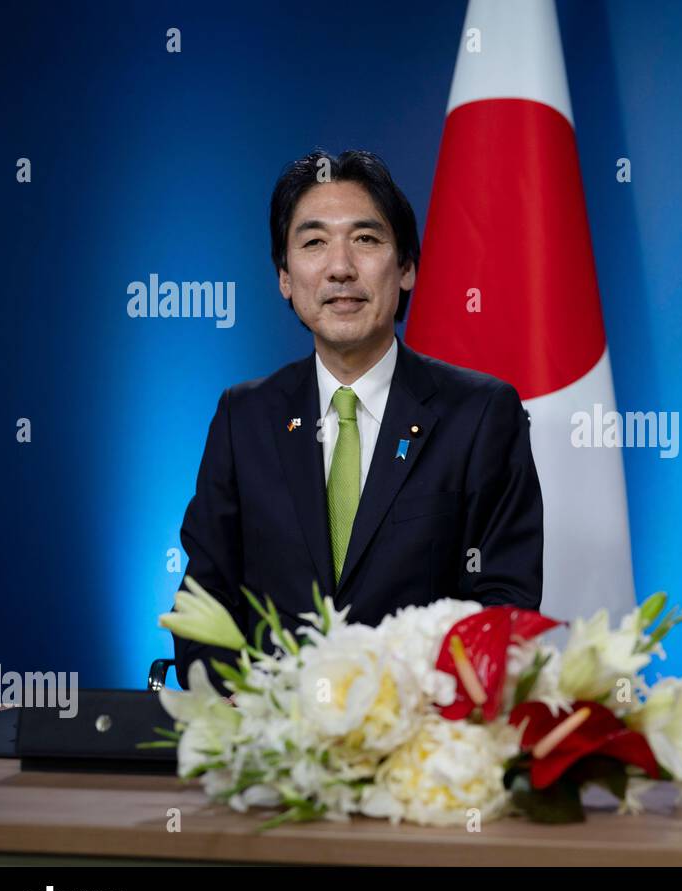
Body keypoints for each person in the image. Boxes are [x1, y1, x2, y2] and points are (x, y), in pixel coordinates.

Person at [171, 149, 543, 695]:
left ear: (407, 267)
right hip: (274, 751)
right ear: (284, 276)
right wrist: (260, 721)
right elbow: (204, 611)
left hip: (418, 750)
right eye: (313, 242)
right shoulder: (243, 418)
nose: (340, 267)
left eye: (366, 239)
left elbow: (502, 608)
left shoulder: (482, 414)